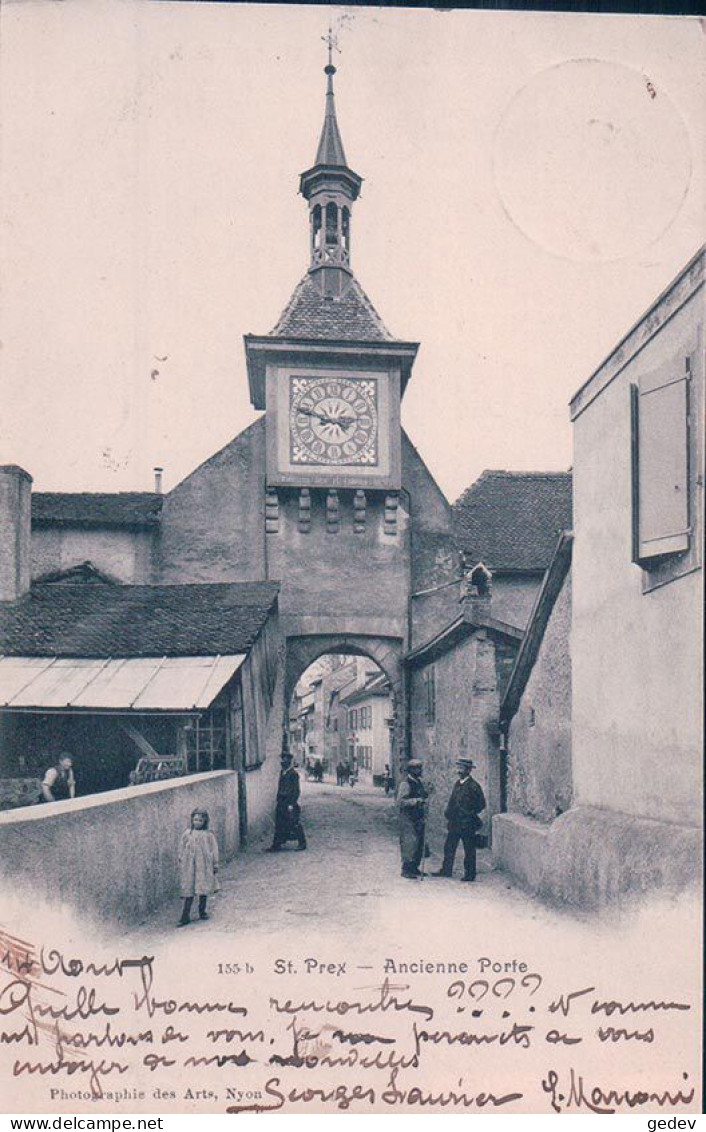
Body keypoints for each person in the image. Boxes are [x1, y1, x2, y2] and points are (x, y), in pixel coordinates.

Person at [432, 758, 486, 882]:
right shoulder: (457, 784)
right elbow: (452, 801)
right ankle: (446, 870)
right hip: (455, 823)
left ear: (468, 770)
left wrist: (470, 814)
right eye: (458, 768)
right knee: (449, 847)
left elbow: (481, 804)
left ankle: (469, 874)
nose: (459, 771)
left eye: (461, 768)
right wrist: (448, 813)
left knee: (469, 849)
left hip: (468, 824)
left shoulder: (474, 786)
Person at [177, 808, 219, 926]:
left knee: (202, 887)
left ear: (205, 821)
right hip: (190, 866)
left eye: (200, 820)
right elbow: (181, 846)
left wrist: (215, 864)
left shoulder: (208, 835)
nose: (197, 822)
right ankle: (185, 915)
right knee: (189, 889)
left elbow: (214, 850)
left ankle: (202, 911)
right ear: (192, 820)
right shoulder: (187, 834)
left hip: (203, 866)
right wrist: (181, 857)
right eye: (195, 819)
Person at [267, 748, 307, 851]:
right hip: (281, 802)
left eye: (284, 760)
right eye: (282, 760)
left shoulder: (293, 774)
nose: (282, 762)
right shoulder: (282, 773)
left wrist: (291, 804)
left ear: (288, 762)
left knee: (294, 823)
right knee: (279, 823)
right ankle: (276, 845)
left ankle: (302, 843)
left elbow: (296, 790)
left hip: (289, 802)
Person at [396, 759, 429, 879]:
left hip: (418, 817)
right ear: (410, 770)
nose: (418, 770)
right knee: (410, 843)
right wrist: (416, 801)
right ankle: (406, 869)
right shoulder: (405, 784)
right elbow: (401, 802)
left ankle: (415, 867)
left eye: (419, 768)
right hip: (408, 819)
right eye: (416, 768)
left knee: (419, 843)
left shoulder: (419, 782)